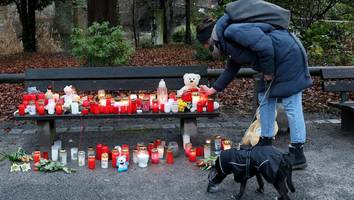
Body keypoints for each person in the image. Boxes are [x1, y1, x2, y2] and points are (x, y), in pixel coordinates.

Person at [197, 1, 313, 170]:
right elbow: (232, 66)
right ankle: (265, 144)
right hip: (274, 60)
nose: (208, 50)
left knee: (291, 104)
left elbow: (265, 46)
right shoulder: (227, 38)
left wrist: (268, 72)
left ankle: (297, 153)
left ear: (210, 39)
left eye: (206, 46)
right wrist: (213, 89)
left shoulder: (233, 31)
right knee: (264, 99)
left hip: (288, 57)